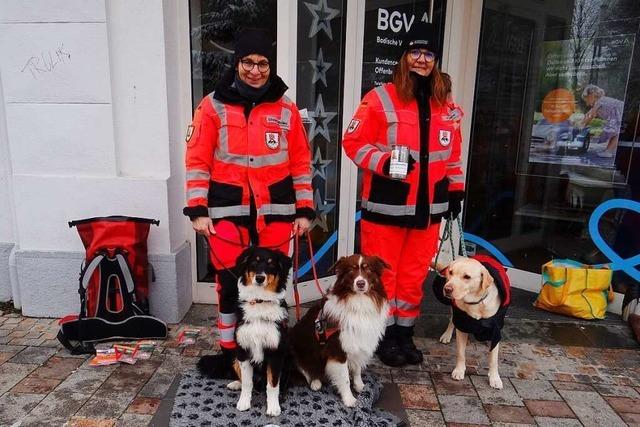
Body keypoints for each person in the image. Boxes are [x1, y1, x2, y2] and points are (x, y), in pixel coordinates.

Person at [183, 28, 315, 371]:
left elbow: (301, 163)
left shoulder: (286, 108)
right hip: (228, 212)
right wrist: (198, 208)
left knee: (273, 286)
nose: (255, 70)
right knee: (229, 285)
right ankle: (231, 354)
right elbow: (197, 160)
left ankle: (274, 352)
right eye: (247, 63)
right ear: (236, 63)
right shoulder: (211, 106)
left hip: (277, 213)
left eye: (262, 63)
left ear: (270, 66)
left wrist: (305, 210)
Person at [342, 22, 465, 367]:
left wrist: (455, 189)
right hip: (386, 207)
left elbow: (452, 153)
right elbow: (353, 143)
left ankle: (403, 336)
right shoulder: (379, 97)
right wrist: (385, 162)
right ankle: (380, 337)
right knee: (385, 276)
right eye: (415, 52)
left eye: (428, 53)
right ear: (404, 56)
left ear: (435, 59)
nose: (421, 59)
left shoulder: (446, 104)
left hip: (429, 210)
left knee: (413, 278)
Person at [580, 84, 624, 158]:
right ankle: (608, 150)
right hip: (617, 114)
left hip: (620, 113)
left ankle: (609, 151)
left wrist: (582, 126)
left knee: (615, 132)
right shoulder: (599, 102)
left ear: (592, 96)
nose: (587, 103)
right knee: (614, 132)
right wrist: (582, 121)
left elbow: (590, 116)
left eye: (587, 100)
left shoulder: (600, 101)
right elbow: (588, 114)